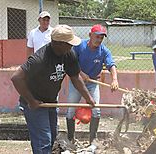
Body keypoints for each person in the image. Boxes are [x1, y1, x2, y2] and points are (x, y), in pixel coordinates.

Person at [11, 25, 96, 154]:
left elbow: (75, 77)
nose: (72, 46)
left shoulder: (69, 54)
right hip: (35, 103)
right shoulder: (40, 59)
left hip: (51, 101)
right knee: (43, 141)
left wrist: (88, 97)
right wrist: (32, 100)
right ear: (58, 43)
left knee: (52, 140)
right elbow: (16, 78)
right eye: (69, 43)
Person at [66, 24, 119, 144]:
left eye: (101, 38)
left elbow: (111, 65)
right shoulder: (79, 46)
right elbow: (70, 62)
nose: (99, 40)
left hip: (92, 83)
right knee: (70, 110)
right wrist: (81, 73)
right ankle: (70, 139)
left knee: (96, 110)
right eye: (97, 37)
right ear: (90, 35)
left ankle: (92, 139)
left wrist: (115, 79)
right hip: (76, 82)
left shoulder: (104, 51)